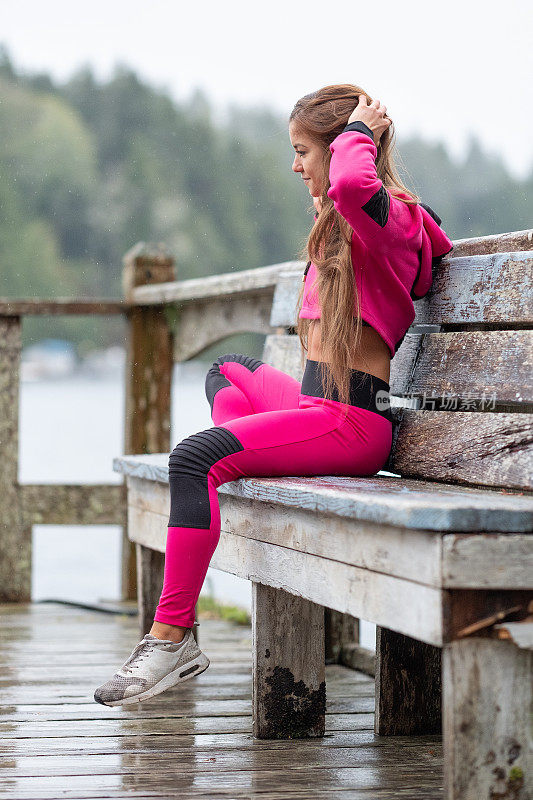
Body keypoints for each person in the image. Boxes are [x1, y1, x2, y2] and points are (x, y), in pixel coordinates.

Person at [94, 84, 453, 707]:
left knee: (194, 458)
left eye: (303, 150)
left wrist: (356, 135)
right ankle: (231, 480)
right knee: (228, 371)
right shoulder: (349, 225)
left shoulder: (387, 219)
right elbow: (358, 200)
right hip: (317, 409)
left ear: (343, 147)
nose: (296, 165)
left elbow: (354, 188)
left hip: (350, 424)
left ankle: (171, 637)